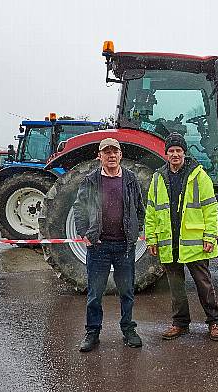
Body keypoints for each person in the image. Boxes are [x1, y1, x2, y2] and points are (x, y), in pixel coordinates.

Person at [145, 132, 218, 341]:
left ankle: (214, 322)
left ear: (184, 152)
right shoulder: (158, 178)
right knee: (176, 286)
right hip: (169, 240)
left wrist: (209, 236)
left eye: (178, 150)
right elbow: (151, 210)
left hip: (194, 241)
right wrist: (152, 238)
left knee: (203, 284)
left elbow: (210, 208)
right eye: (171, 151)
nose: (175, 154)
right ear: (166, 154)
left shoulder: (199, 176)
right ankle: (180, 323)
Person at [73, 138, 145, 352]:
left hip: (124, 246)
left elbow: (139, 209)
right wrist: (84, 233)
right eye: (107, 152)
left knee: (127, 291)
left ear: (121, 155)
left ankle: (128, 329)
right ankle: (92, 332)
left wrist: (135, 229)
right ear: (100, 156)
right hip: (99, 247)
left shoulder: (131, 179)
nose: (111, 156)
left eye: (115, 152)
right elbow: (79, 207)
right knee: (95, 292)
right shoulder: (91, 179)